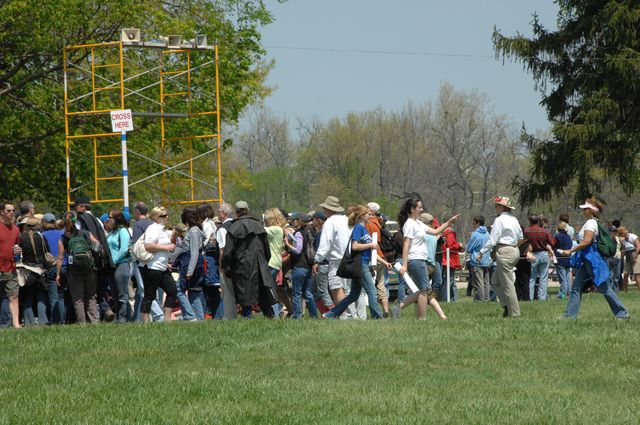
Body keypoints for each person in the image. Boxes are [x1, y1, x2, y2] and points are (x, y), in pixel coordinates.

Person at [561, 197, 629, 320]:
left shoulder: (590, 223)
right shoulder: (592, 222)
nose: (584, 210)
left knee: (604, 288)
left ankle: (622, 314)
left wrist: (570, 250)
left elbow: (586, 241)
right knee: (576, 287)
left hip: (591, 258)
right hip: (586, 258)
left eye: (586, 208)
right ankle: (569, 316)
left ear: (592, 210)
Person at [323, 205, 392, 319]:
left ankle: (330, 314)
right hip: (360, 265)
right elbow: (354, 246)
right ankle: (378, 317)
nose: (370, 215)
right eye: (368, 214)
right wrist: (370, 244)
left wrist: (384, 262)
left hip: (363, 263)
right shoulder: (358, 228)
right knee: (372, 291)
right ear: (361, 216)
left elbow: (369, 251)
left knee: (353, 295)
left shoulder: (364, 229)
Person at [395, 195, 457, 320]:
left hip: (420, 260)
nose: (422, 209)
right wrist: (405, 265)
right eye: (419, 207)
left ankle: (397, 309)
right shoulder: (409, 224)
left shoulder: (418, 223)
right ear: (412, 209)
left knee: (419, 291)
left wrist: (448, 223)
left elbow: (435, 232)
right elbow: (406, 244)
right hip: (415, 260)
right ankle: (422, 319)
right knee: (424, 290)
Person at [221, 201, 277, 319]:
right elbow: (267, 250)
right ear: (248, 210)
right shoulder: (259, 225)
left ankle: (247, 317)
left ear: (236, 212)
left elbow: (228, 252)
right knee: (262, 293)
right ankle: (271, 316)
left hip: (241, 265)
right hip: (260, 265)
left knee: (244, 293)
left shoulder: (234, 227)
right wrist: (264, 262)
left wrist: (225, 266)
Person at [478, 196, 523, 318]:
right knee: (495, 281)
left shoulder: (499, 220)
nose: (495, 208)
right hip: (514, 250)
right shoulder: (514, 219)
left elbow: (492, 240)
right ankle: (506, 307)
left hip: (505, 251)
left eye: (496, 205)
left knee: (507, 285)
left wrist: (481, 252)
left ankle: (514, 313)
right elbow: (520, 237)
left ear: (502, 207)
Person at [312, 196, 355, 317]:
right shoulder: (347, 220)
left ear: (328, 210)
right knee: (346, 289)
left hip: (336, 260)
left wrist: (317, 260)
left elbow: (326, 243)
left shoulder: (330, 222)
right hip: (349, 258)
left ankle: (344, 315)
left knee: (337, 288)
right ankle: (348, 314)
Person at [56, 211, 100, 324]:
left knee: (78, 298)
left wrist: (58, 274)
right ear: (77, 221)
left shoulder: (63, 238)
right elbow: (98, 246)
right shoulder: (86, 233)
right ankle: (94, 321)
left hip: (73, 271)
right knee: (91, 296)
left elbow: (60, 258)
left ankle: (82, 323)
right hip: (89, 269)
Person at [139, 207, 177, 322]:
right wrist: (166, 247)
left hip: (162, 266)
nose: (167, 217)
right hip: (151, 267)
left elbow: (167, 245)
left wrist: (174, 236)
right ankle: (145, 323)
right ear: (156, 217)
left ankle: (167, 320)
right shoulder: (152, 228)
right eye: (163, 216)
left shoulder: (162, 229)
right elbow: (148, 245)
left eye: (166, 215)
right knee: (149, 295)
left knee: (172, 291)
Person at [285, 212, 319, 319]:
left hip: (299, 266)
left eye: (294, 220)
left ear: (298, 221)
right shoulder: (307, 233)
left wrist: (288, 244)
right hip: (308, 267)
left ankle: (297, 316)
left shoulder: (299, 233)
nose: (292, 221)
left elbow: (298, 250)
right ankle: (314, 315)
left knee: (297, 293)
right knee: (307, 293)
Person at [175, 206, 207, 321]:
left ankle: (189, 316)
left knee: (178, 289)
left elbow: (194, 253)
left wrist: (189, 271)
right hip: (194, 265)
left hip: (189, 265)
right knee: (194, 292)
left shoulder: (193, 231)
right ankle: (199, 319)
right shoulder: (197, 230)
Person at [107, 209, 132, 323]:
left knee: (122, 294)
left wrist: (114, 260)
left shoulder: (123, 231)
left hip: (121, 265)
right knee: (115, 294)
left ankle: (123, 319)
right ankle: (121, 317)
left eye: (110, 217)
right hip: (112, 266)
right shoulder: (112, 232)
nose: (108, 220)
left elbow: (124, 249)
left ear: (116, 219)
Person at [365, 202, 390, 318]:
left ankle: (374, 312)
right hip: (381, 256)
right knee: (381, 285)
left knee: (369, 286)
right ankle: (385, 310)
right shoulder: (379, 223)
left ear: (372, 211)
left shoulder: (368, 223)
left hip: (372, 256)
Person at [524, 214, 555, 301]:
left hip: (532, 254)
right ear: (538, 221)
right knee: (543, 278)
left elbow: (522, 242)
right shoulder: (545, 231)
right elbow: (552, 243)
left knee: (532, 278)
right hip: (544, 254)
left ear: (530, 221)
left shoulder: (526, 231)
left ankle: (530, 297)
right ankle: (542, 298)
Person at [199, 203, 222, 319]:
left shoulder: (207, 224)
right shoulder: (211, 223)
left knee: (211, 288)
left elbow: (205, 241)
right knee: (211, 289)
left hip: (208, 259)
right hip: (210, 259)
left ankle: (217, 315)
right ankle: (216, 315)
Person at [264, 208, 287, 317]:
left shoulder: (276, 229)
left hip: (272, 262)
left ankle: (277, 312)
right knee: (270, 288)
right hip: (275, 262)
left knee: (269, 289)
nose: (265, 220)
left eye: (267, 218)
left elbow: (260, 230)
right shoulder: (278, 229)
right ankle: (277, 311)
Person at [42, 213, 65, 324]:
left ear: (45, 223)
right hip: (64, 267)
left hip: (51, 268)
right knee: (61, 296)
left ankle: (55, 321)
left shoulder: (42, 235)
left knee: (53, 297)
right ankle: (63, 321)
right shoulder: (62, 233)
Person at [466, 215, 491, 301]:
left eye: (473, 223)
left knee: (478, 282)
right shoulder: (487, 233)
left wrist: (469, 238)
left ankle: (479, 299)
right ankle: (486, 298)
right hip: (486, 260)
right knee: (486, 282)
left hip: (477, 261)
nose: (472, 225)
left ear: (478, 223)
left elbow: (469, 248)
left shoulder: (475, 234)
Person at [616, 226, 640, 291]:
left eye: (621, 233)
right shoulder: (622, 240)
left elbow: (638, 247)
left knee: (637, 274)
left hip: (636, 256)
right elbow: (624, 249)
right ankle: (625, 290)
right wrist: (620, 258)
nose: (621, 235)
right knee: (625, 274)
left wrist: (635, 256)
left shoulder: (633, 237)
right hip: (628, 256)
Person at [553, 222, 573, 299]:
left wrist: (557, 250)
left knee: (563, 279)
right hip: (568, 259)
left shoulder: (557, 237)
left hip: (560, 259)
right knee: (567, 277)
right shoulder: (569, 237)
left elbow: (553, 245)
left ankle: (563, 294)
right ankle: (569, 293)